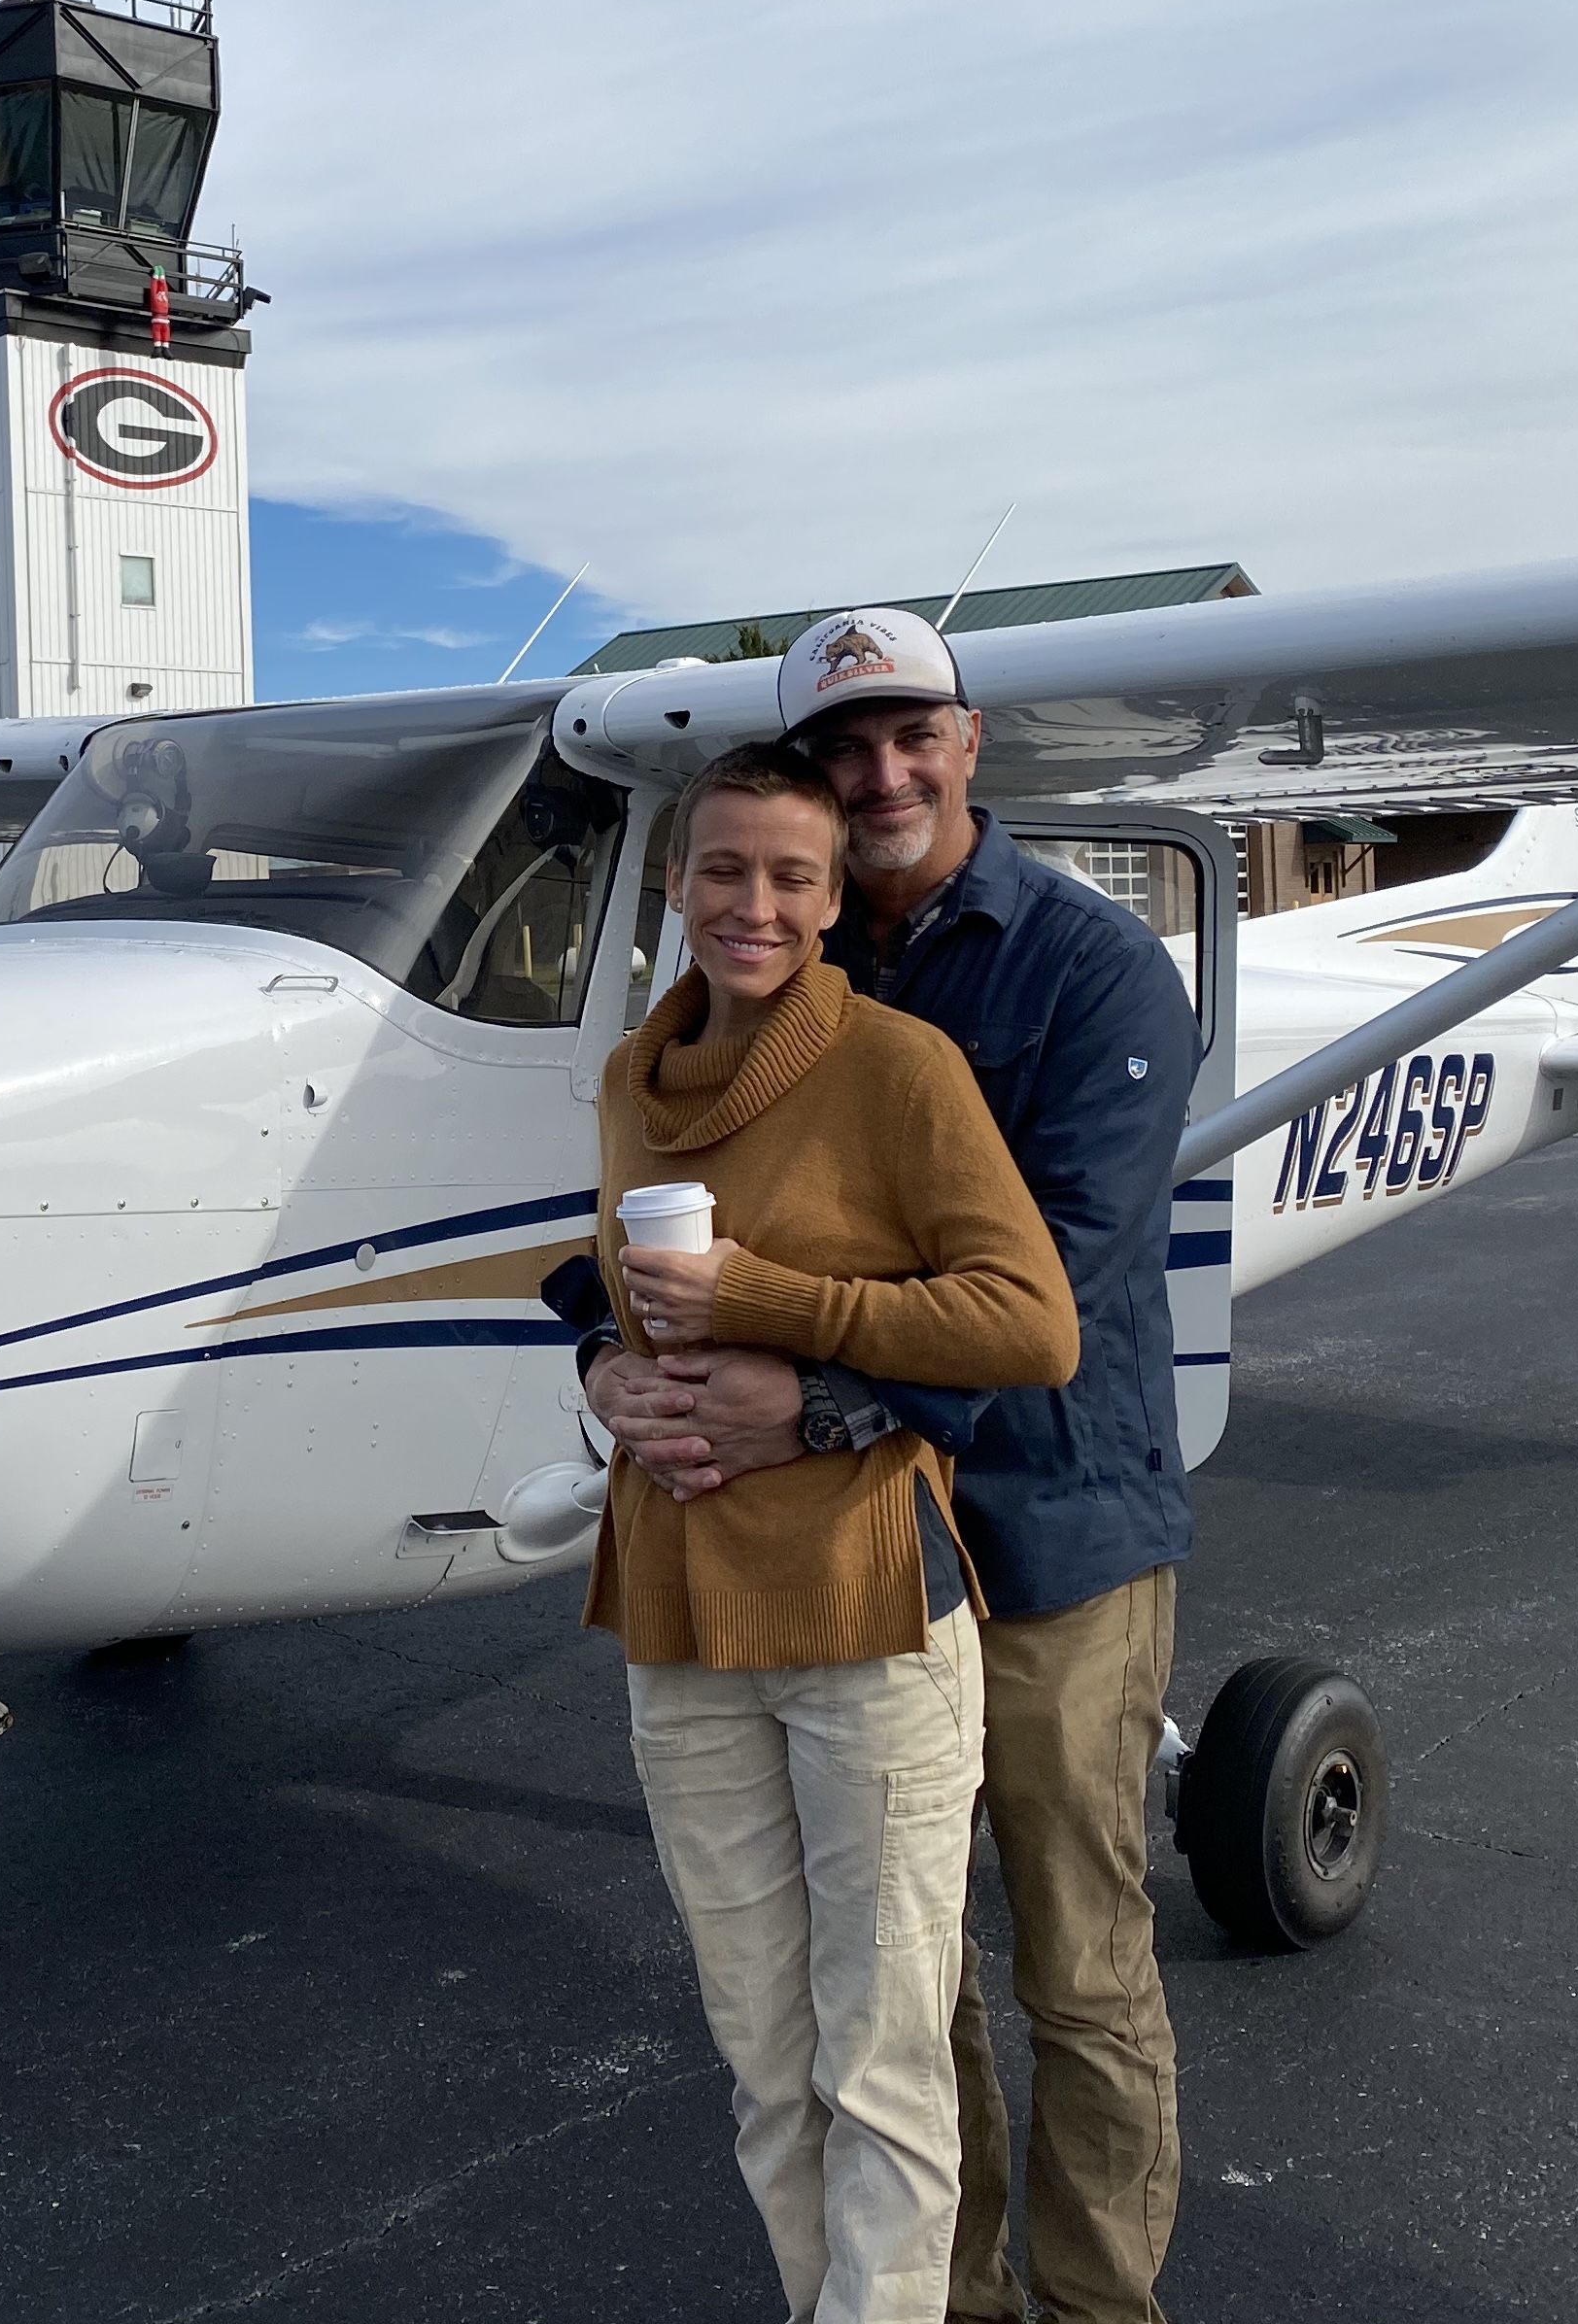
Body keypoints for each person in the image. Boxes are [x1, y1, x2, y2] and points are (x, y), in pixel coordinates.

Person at [592, 608, 1200, 2324]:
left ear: (968, 741)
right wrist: (603, 1353)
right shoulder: (779, 963)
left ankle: (1098, 2307)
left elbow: (1055, 1276)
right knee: (899, 1989)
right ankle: (949, 2300)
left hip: (1053, 1519)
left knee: (1076, 1965)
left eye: (909, 735)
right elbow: (644, 1231)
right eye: (845, 748)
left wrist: (828, 1405)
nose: (880, 774)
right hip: (867, 1558)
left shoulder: (1089, 969)